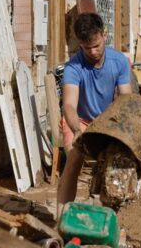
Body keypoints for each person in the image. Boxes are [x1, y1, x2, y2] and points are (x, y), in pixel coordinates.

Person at [57, 13, 132, 217]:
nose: (92, 51)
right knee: (73, 159)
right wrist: (77, 130)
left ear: (104, 36)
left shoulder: (119, 61)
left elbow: (125, 99)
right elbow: (69, 106)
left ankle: (108, 220)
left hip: (107, 121)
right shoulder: (73, 66)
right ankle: (61, 218)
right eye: (86, 47)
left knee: (115, 168)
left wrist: (118, 129)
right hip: (79, 120)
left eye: (96, 45)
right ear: (80, 44)